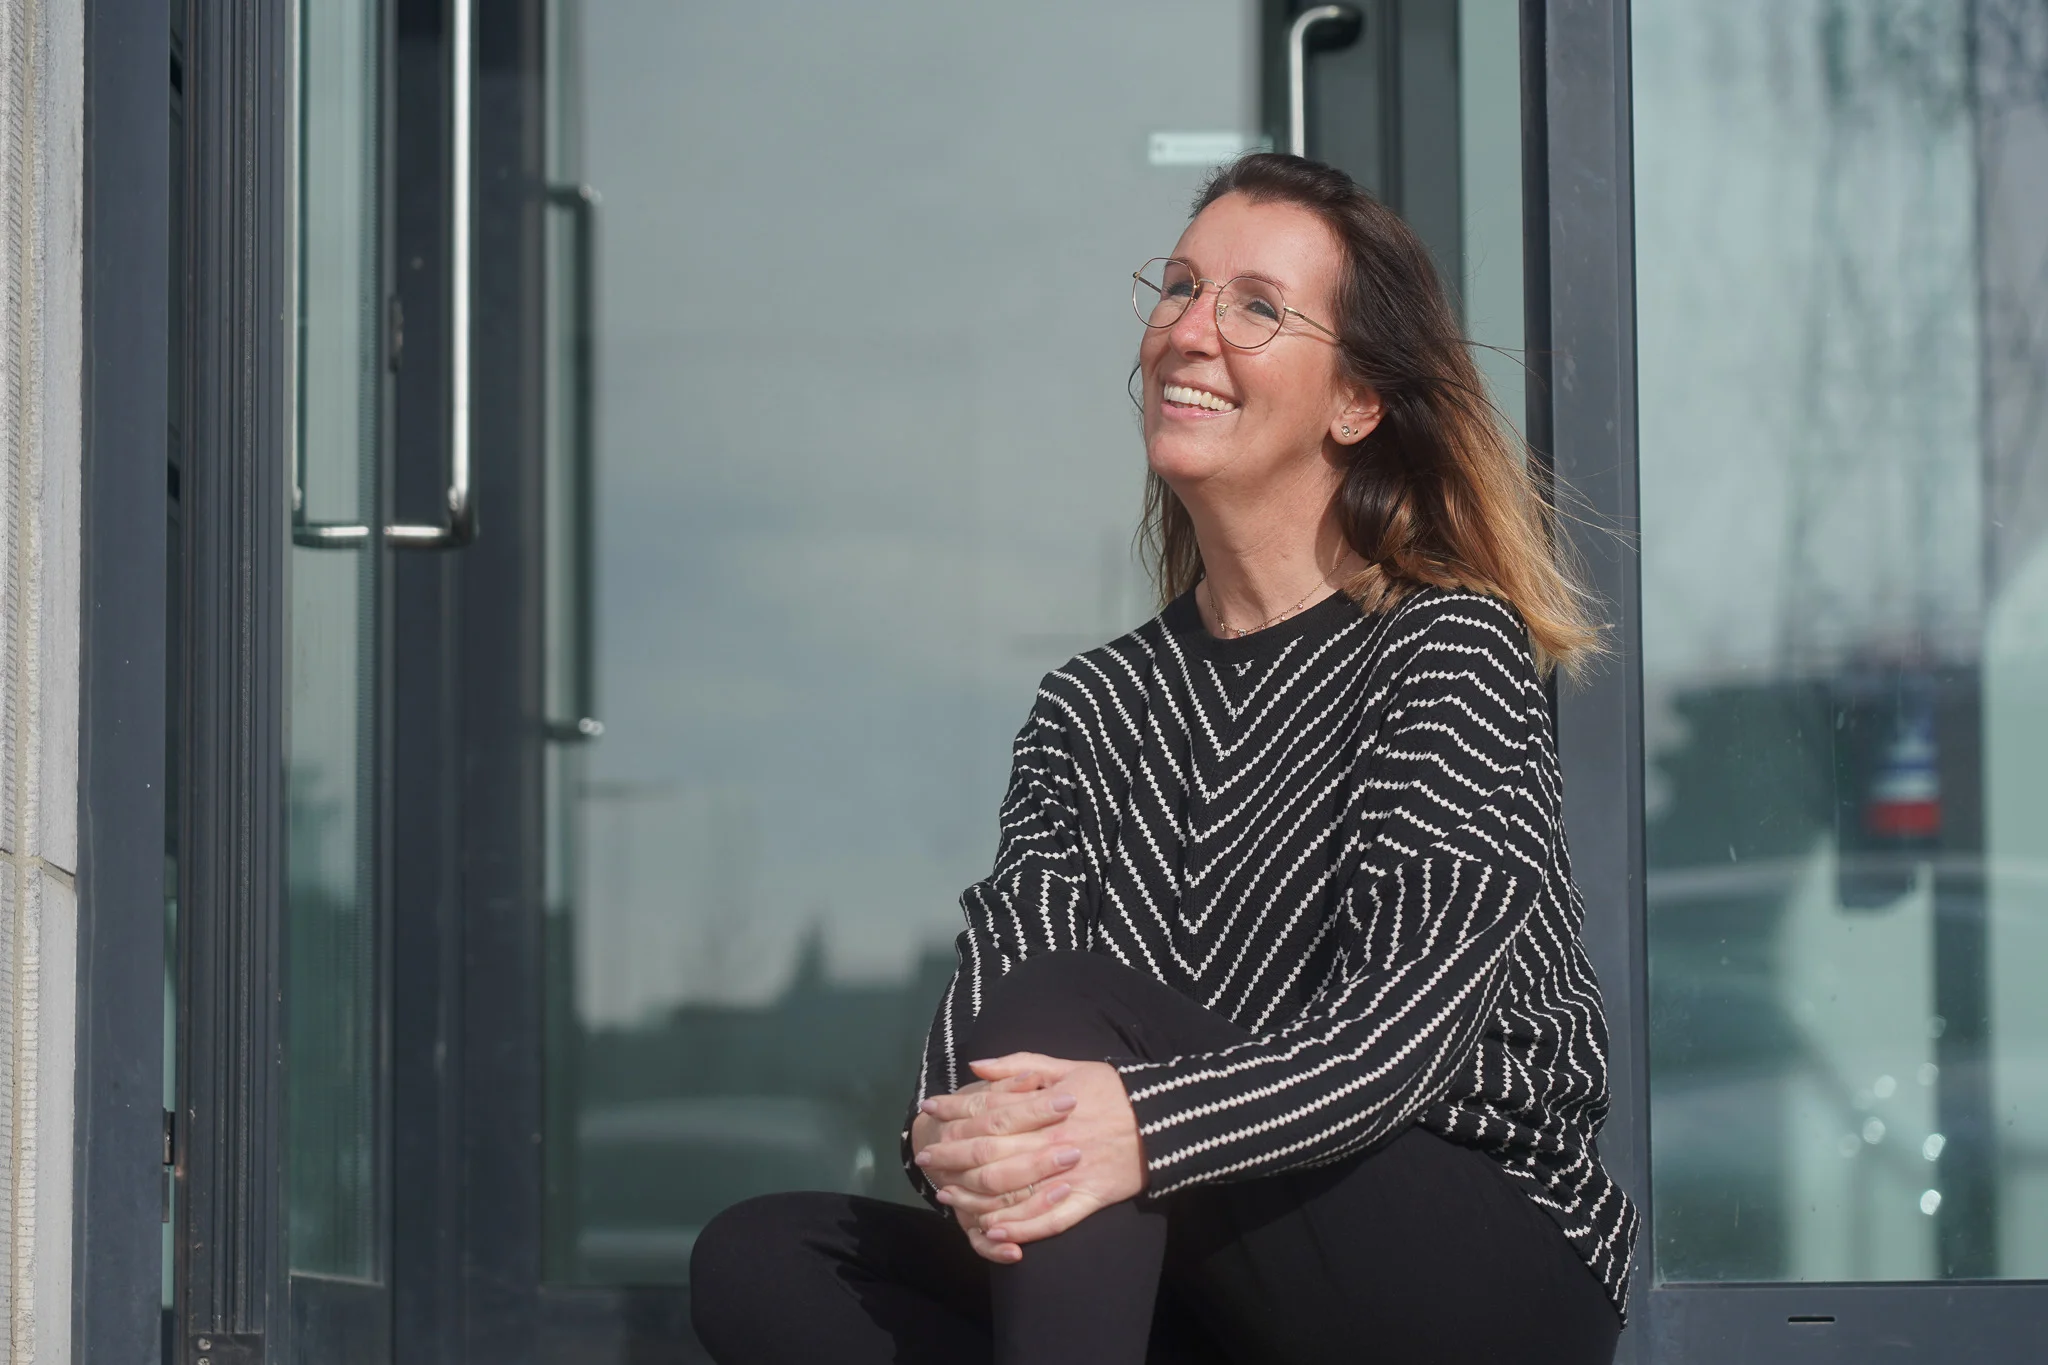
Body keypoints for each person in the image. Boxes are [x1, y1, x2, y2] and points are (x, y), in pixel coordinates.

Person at [689, 152, 1637, 1365]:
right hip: (1207, 1267)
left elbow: (1395, 1042)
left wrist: (1137, 1119)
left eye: (1255, 307)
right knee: (767, 1254)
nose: (1189, 331)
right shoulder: (1090, 708)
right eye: (1180, 288)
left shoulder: (1443, 648)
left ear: (1355, 402)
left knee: (1063, 1019)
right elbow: (972, 1043)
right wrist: (962, 1140)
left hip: (1460, 1262)